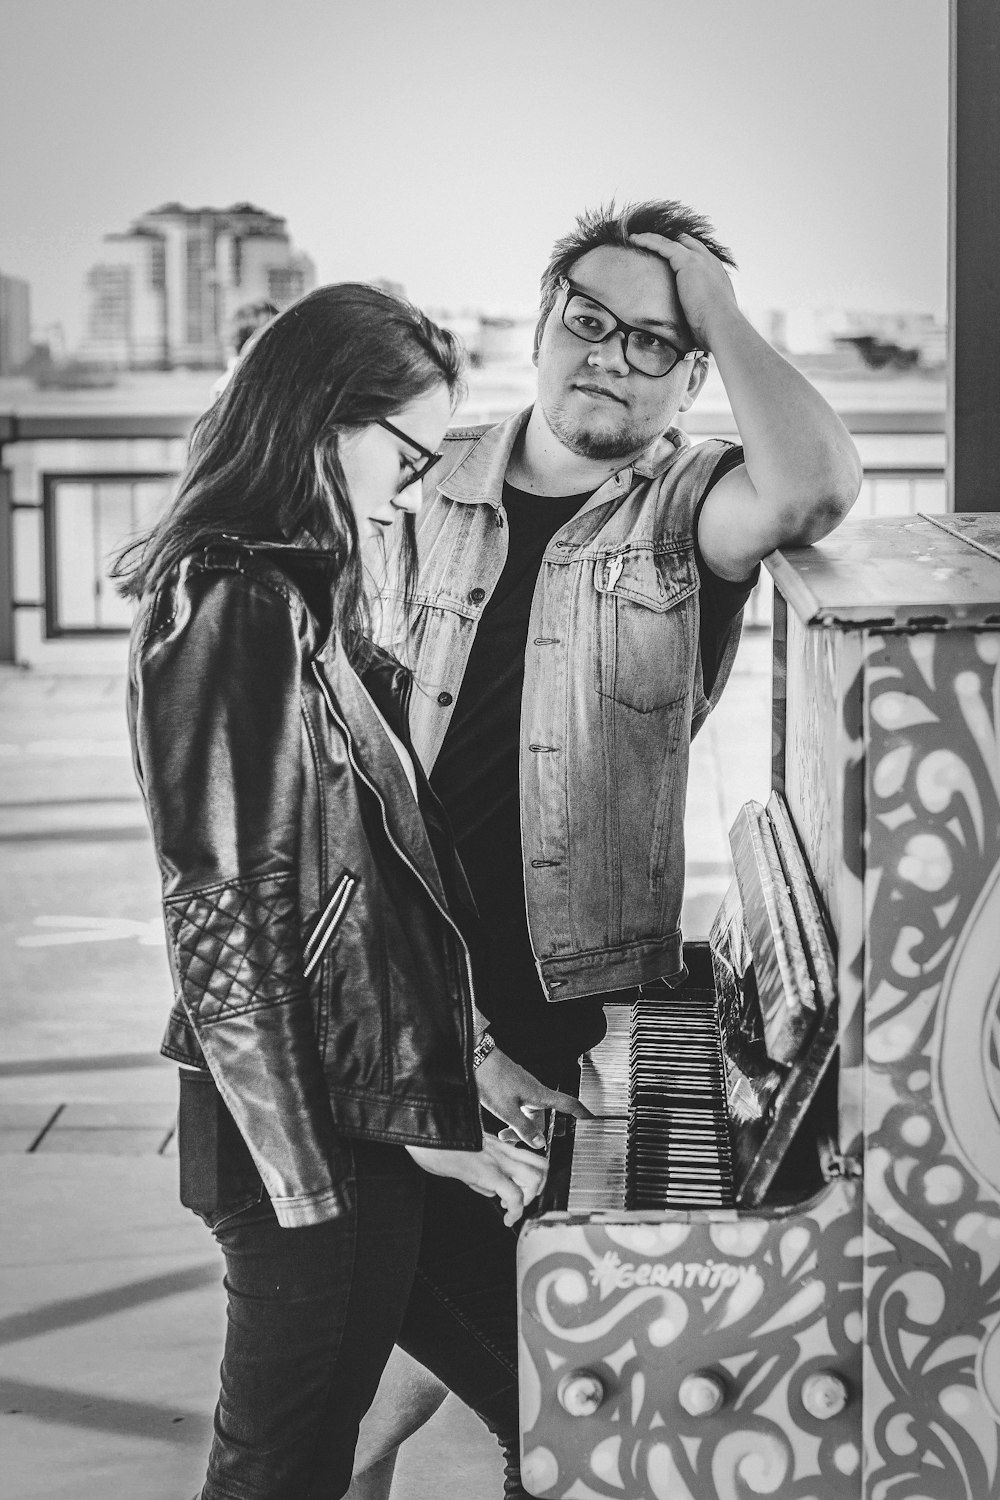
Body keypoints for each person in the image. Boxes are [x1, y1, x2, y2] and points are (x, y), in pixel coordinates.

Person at [359, 197, 864, 1477]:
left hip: (560, 1004)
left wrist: (722, 307)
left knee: (464, 1326)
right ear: (540, 322)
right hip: (393, 988)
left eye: (656, 342)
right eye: (590, 321)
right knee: (408, 1336)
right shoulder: (421, 486)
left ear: (692, 374)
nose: (612, 357)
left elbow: (812, 487)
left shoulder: (690, 506)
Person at [114, 283, 548, 1500]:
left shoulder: (299, 596)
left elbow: (382, 890)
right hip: (292, 1135)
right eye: (405, 456)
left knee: (557, 1382)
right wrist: (317, 1177)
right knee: (281, 1464)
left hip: (350, 1113)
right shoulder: (228, 602)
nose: (412, 490)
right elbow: (225, 916)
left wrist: (460, 1078)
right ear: (322, 423)